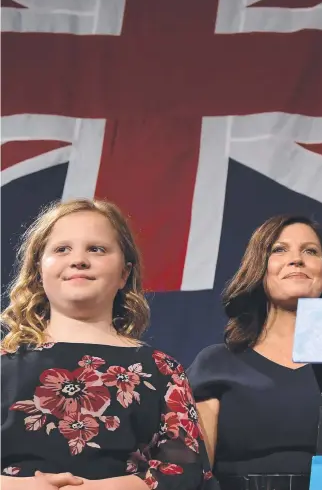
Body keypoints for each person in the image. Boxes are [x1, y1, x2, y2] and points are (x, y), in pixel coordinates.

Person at [1, 199, 218, 490]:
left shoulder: (161, 370)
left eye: (96, 249)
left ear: (124, 273)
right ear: (39, 271)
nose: (78, 260)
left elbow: (185, 473)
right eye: (62, 249)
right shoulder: (4, 363)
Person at [187, 214, 322, 490]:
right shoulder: (215, 365)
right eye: (279, 249)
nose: (297, 259)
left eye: (310, 251)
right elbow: (194, 475)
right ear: (259, 268)